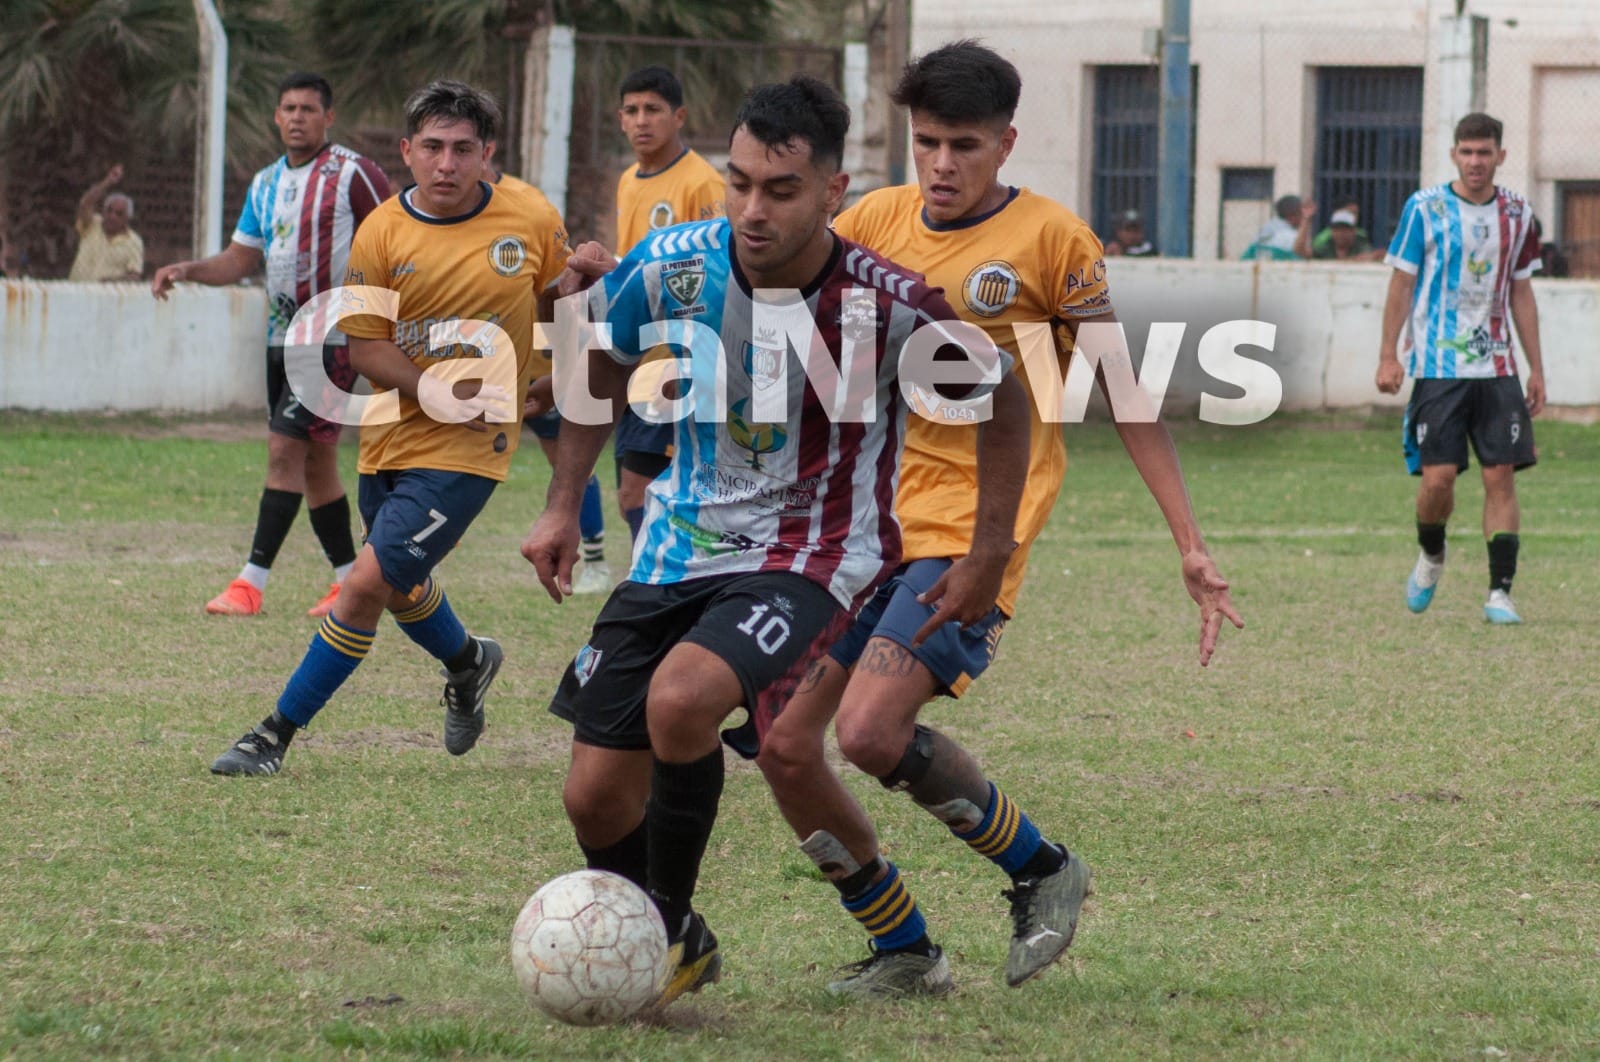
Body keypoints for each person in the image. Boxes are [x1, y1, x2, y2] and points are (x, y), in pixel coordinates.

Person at [521, 75, 1030, 1007]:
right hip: (675, 547)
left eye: (780, 190)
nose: (752, 209)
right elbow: (597, 357)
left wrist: (988, 550)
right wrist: (562, 506)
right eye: (739, 182)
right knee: (591, 797)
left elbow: (1004, 398)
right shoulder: (674, 262)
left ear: (833, 192)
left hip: (813, 557)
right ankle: (678, 936)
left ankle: (664, 937)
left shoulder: (888, 301)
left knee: (683, 702)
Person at [748, 39, 1242, 998]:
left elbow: (1125, 393)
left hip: (973, 533)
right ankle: (904, 950)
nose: (941, 164)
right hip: (860, 525)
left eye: (963, 145)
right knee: (783, 749)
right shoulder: (870, 219)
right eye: (926, 142)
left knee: (871, 733)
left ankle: (1042, 866)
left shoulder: (1054, 242)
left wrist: (1189, 542)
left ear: (1007, 144)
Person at [208, 80, 575, 776]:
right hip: (390, 434)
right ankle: (469, 661)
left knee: (365, 583)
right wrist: (431, 385)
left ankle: (272, 736)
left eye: (463, 149)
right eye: (432, 147)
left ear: (487, 153)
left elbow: (564, 301)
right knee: (403, 584)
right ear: (406, 151)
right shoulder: (381, 231)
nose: (447, 164)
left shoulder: (529, 216)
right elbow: (365, 345)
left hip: (474, 445)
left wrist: (554, 378)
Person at [152, 72, 390, 618]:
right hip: (280, 339)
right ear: (276, 116)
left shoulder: (353, 173)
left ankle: (249, 583)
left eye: (309, 108)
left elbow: (398, 235)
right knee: (315, 462)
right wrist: (187, 268)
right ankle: (350, 582)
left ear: (328, 117)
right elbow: (240, 259)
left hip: (330, 336)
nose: (297, 117)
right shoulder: (263, 183)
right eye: (289, 108)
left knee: (284, 450)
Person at [1376, 112, 1546, 624]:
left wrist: (1536, 367)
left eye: (1484, 152)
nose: (1476, 162)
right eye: (1467, 152)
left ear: (1501, 156)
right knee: (1438, 481)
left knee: (1501, 477)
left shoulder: (1518, 213)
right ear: (1454, 154)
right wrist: (1388, 354)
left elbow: (1521, 291)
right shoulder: (1423, 209)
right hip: (1437, 366)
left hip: (1497, 368)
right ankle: (1432, 553)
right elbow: (1401, 283)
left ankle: (1500, 592)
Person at [611, 65, 727, 549]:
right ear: (620, 119)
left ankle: (656, 583)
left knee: (638, 491)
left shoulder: (701, 183)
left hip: (677, 366)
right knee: (635, 492)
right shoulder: (627, 180)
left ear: (678, 116)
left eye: (653, 110)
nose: (642, 121)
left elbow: (721, 271)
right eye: (633, 110)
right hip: (639, 361)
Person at [69, 164, 144, 282]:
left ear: (127, 219)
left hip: (106, 298)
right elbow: (85, 204)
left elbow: (134, 276)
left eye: (119, 213)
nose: (112, 216)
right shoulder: (93, 224)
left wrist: (111, 283)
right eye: (109, 210)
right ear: (103, 211)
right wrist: (107, 181)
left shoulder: (134, 241)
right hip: (76, 293)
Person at [1298, 204, 1382, 262]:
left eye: (1345, 229)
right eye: (1337, 229)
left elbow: (1376, 256)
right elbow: (1300, 251)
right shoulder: (1327, 245)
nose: (1341, 234)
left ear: (1353, 231)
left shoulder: (1360, 243)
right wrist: (1306, 220)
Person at [1241, 194, 1314, 261]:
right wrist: (1306, 220)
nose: (1302, 217)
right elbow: (1304, 254)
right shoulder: (1290, 235)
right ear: (1292, 216)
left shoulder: (1267, 227)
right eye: (1301, 214)